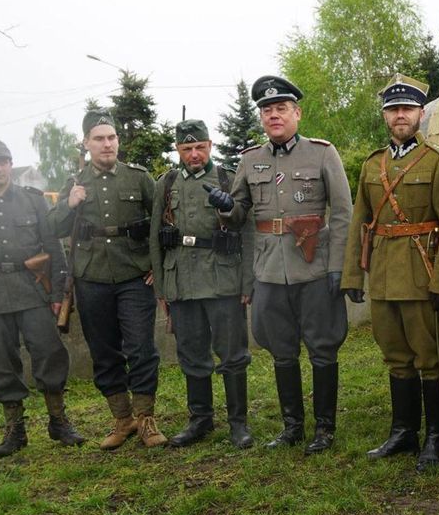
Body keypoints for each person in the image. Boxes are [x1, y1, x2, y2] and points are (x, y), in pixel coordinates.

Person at [342, 74, 439, 471]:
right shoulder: (372, 164)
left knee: (428, 359)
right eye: (393, 109)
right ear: (385, 116)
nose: (400, 116)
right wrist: (352, 275)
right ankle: (403, 431)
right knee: (396, 358)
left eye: (408, 109)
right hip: (383, 274)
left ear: (420, 113)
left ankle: (436, 435)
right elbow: (359, 221)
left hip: (423, 273)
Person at [221, 76, 353, 454]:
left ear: (297, 113)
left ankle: (324, 428)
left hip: (314, 267)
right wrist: (227, 208)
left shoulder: (322, 153)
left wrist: (337, 266)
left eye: (281, 109)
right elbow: (239, 214)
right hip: (269, 269)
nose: (273, 115)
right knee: (281, 350)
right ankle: (292, 426)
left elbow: (343, 213)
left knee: (323, 348)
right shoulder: (249, 160)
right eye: (267, 110)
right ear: (261, 118)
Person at [0, 139, 83, 457]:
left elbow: (54, 248)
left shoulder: (34, 201)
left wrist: (57, 293)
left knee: (50, 353)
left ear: (10, 165)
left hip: (33, 290)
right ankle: (15, 430)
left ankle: (58, 421)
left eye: (2, 161)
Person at [48, 109, 163, 450]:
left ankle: (145, 419)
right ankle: (122, 418)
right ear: (86, 143)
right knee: (103, 351)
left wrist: (156, 264)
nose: (107, 144)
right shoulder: (75, 183)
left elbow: (160, 224)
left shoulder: (139, 178)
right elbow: (52, 229)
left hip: (134, 274)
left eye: (111, 137)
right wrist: (69, 204)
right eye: (99, 138)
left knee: (142, 347)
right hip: (92, 277)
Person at [150, 119, 255, 449]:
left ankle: (239, 423)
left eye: (199, 147)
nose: (194, 154)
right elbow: (156, 238)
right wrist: (163, 288)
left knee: (232, 353)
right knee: (191, 352)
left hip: (222, 278)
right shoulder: (166, 183)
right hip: (182, 280)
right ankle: (201, 420)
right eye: (186, 148)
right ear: (178, 150)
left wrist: (246, 281)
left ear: (210, 145)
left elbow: (246, 230)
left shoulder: (228, 178)